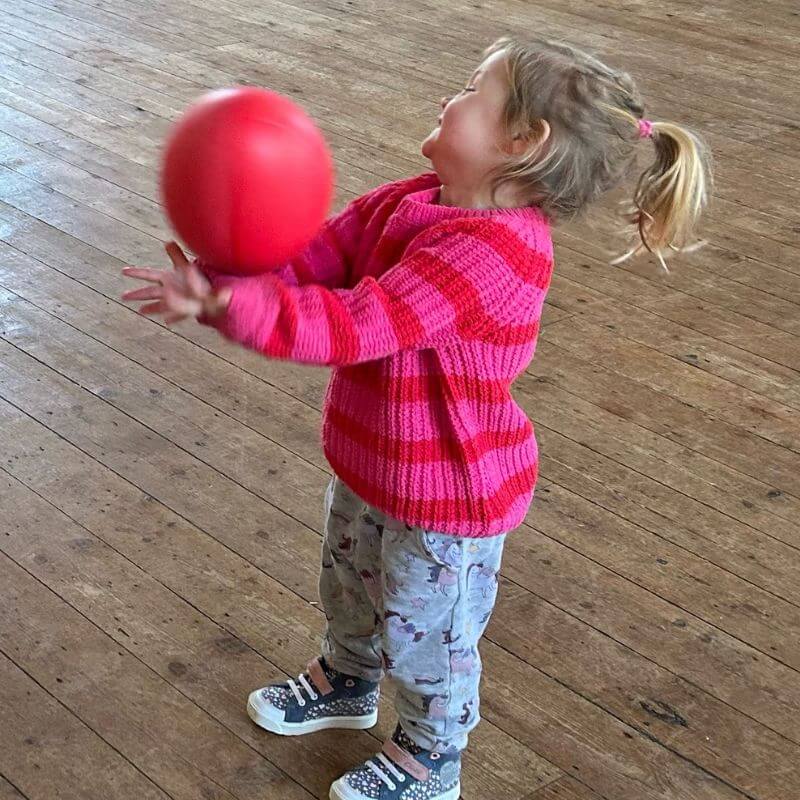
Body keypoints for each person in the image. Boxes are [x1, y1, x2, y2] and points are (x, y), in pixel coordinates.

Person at [122, 36, 710, 800]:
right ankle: (347, 678)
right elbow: (323, 257)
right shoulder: (415, 199)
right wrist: (228, 278)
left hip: (448, 497)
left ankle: (432, 754)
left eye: (473, 90)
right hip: (377, 461)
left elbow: (362, 322)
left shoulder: (491, 254)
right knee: (350, 583)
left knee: (427, 632)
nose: (449, 98)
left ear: (521, 142)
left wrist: (236, 307)